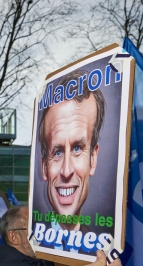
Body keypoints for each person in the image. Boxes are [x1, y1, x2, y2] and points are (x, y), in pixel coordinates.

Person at [37, 69, 105, 232]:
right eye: (58, 152)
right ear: (45, 167)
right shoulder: (27, 248)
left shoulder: (103, 252)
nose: (66, 171)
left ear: (93, 159)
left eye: (77, 148)